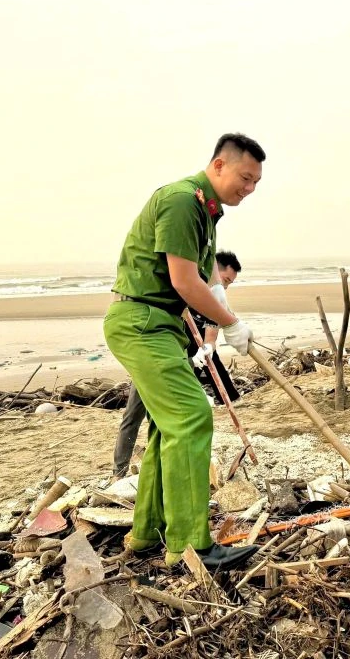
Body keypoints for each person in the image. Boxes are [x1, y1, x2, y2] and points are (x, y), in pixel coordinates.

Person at [104, 133, 265, 569]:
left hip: (162, 325)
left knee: (165, 426)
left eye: (256, 183)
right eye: (244, 177)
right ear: (218, 165)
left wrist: (221, 297)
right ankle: (190, 545)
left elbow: (204, 268)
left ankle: (148, 534)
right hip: (141, 322)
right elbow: (182, 281)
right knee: (192, 417)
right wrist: (229, 324)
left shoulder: (207, 212)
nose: (249, 189)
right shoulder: (181, 201)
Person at [112, 250, 243, 479]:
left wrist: (208, 348)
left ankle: (168, 468)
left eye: (229, 284)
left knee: (176, 415)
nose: (226, 287)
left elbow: (213, 326)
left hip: (184, 357)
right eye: (225, 280)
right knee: (135, 411)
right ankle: (119, 471)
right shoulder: (185, 286)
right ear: (214, 271)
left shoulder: (214, 296)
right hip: (155, 352)